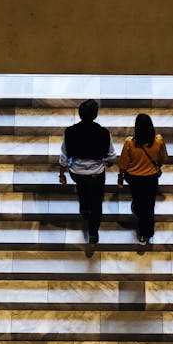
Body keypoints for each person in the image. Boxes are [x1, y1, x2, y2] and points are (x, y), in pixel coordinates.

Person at [58, 99, 116, 247]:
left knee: (82, 190)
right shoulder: (104, 133)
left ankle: (84, 209)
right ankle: (93, 233)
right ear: (95, 115)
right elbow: (112, 157)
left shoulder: (70, 132)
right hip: (96, 174)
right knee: (97, 203)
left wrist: (62, 174)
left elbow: (64, 157)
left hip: (77, 173)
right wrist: (108, 163)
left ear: (80, 114)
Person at [118, 113, 168, 245]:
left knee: (138, 199)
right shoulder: (158, 141)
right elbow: (163, 159)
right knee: (149, 205)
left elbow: (123, 163)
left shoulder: (130, 142)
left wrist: (121, 176)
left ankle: (138, 210)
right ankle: (146, 233)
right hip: (151, 178)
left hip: (134, 178)